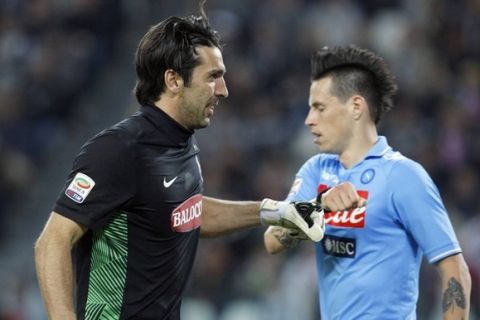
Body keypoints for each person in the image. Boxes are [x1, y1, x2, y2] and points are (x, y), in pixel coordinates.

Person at [33, 6, 327, 320]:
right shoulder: (119, 149)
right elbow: (52, 242)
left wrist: (276, 211)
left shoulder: (181, 142)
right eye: (213, 77)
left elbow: (185, 211)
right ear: (173, 80)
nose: (223, 90)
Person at [264, 45, 472, 319]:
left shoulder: (404, 177)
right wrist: (319, 208)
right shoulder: (315, 170)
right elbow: (273, 241)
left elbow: (454, 269)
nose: (309, 120)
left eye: (320, 108)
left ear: (356, 107)